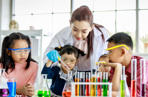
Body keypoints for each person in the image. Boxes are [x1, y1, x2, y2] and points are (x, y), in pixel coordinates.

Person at [43, 5, 110, 71]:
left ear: (91, 28)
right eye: (75, 30)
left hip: (94, 74)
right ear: (70, 24)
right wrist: (51, 58)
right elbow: (46, 59)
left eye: (84, 31)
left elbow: (109, 57)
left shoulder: (102, 34)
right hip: (72, 74)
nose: (79, 35)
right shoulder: (62, 35)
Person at [104, 32, 148, 96]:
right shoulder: (115, 65)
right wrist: (118, 68)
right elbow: (113, 90)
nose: (108, 56)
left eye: (110, 52)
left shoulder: (142, 64)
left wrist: (105, 93)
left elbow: (137, 93)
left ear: (122, 52)